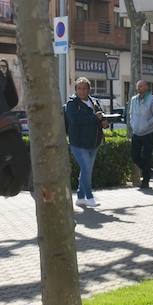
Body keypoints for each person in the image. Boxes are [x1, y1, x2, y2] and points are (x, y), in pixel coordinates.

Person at [65, 76, 105, 208]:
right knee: (86, 169)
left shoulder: (94, 102)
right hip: (78, 143)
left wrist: (103, 121)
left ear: (89, 90)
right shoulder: (72, 104)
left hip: (94, 142)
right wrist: (95, 117)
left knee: (86, 170)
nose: (82, 91)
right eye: (79, 88)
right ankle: (89, 197)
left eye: (84, 88)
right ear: (75, 90)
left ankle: (80, 197)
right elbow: (76, 120)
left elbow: (100, 116)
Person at [127, 80, 153, 189]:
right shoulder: (134, 100)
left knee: (147, 158)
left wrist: (148, 123)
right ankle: (148, 170)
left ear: (146, 87)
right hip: (136, 133)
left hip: (147, 133)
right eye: (138, 87)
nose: (139, 88)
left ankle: (145, 182)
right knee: (135, 156)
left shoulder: (152, 99)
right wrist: (133, 125)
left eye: (141, 86)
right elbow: (131, 114)